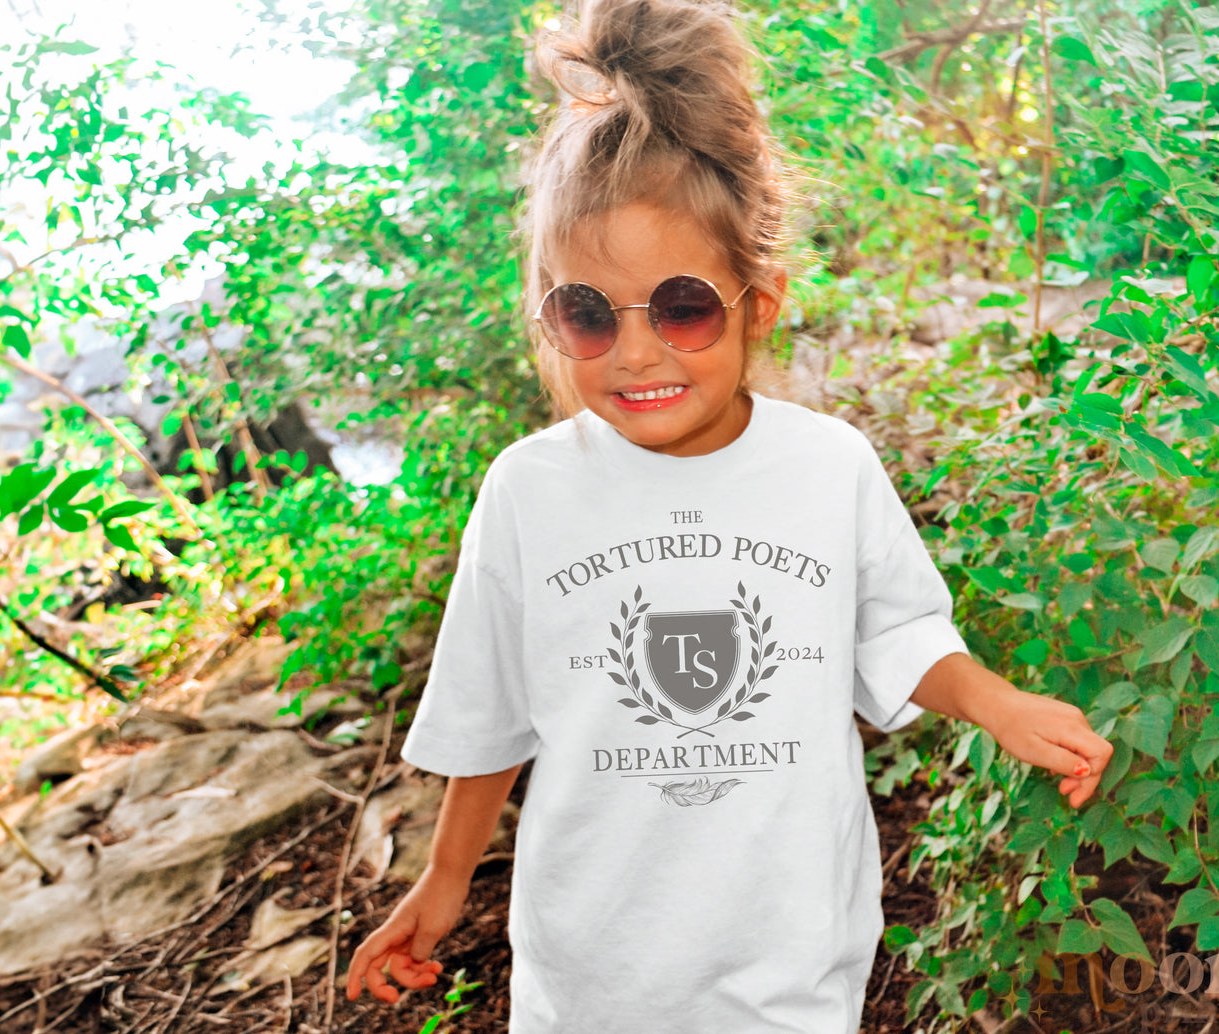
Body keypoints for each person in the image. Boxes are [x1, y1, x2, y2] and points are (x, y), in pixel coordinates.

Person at [344, 1, 1114, 1030]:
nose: (635, 352)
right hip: (589, 973)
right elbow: (490, 713)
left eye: (680, 305)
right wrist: (443, 880)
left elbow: (894, 631)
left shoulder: (824, 466)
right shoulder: (529, 490)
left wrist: (999, 705)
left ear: (757, 301)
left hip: (786, 957)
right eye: (585, 313)